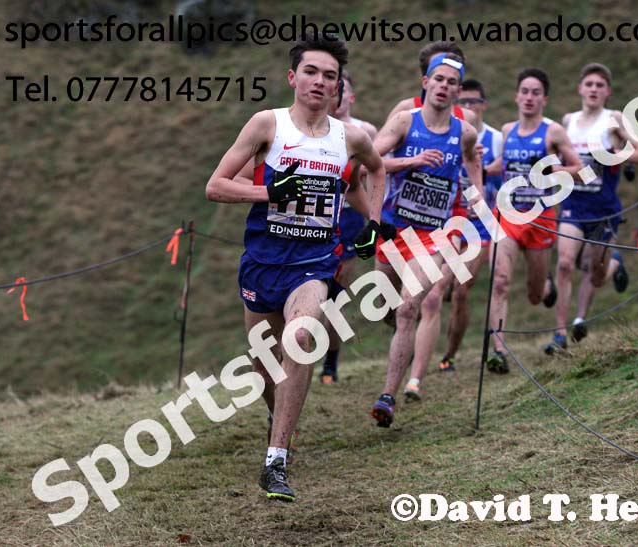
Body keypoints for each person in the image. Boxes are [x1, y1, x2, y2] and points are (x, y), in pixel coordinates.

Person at [205, 33, 386, 502]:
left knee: (302, 337)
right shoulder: (267, 125)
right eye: (312, 72)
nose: (320, 82)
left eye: (330, 75)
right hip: (262, 264)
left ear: (338, 86)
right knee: (264, 366)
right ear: (293, 77)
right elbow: (216, 186)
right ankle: (277, 419)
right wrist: (271, 192)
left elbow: (375, 170)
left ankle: (276, 461)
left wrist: (375, 223)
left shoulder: (351, 138)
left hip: (314, 263)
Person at [370, 53, 483, 426]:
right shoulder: (405, 121)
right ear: (426, 83)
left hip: (434, 234)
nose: (445, 86)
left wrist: (477, 196)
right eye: (439, 79)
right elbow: (369, 161)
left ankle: (388, 395)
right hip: (393, 227)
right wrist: (411, 163)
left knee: (408, 309)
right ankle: (400, 334)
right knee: (388, 306)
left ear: (457, 90)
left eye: (452, 82)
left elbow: (472, 160)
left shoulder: (464, 132)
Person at [485, 68, 582, 373]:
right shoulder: (508, 130)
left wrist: (552, 172)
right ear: (517, 96)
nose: (529, 97)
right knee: (499, 282)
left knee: (535, 294)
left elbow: (577, 166)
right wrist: (483, 166)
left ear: (544, 99)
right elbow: (505, 164)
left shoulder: (553, 132)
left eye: (535, 92)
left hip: (540, 217)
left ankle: (547, 286)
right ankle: (498, 350)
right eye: (524, 91)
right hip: (508, 214)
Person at [548, 63, 638, 353]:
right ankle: (559, 333)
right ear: (580, 88)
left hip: (604, 208)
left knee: (596, 274)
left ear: (608, 92)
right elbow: (555, 158)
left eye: (599, 85)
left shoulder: (614, 119)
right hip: (573, 204)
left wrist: (617, 155)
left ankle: (613, 265)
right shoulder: (567, 121)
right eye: (589, 84)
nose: (593, 89)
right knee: (565, 263)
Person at [438, 78, 503, 372]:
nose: (467, 107)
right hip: (449, 222)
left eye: (472, 102)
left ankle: (449, 355)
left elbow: (509, 181)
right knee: (437, 289)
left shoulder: (497, 139)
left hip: (480, 226)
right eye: (461, 102)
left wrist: (487, 171)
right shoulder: (447, 134)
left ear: (483, 105)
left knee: (462, 291)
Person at [319, 70, 379, 385]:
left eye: (345, 89)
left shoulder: (364, 131)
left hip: (350, 222)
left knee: (336, 297)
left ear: (351, 97)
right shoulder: (315, 129)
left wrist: (374, 216)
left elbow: (380, 168)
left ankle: (330, 363)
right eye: (335, 88)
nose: (339, 94)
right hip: (317, 220)